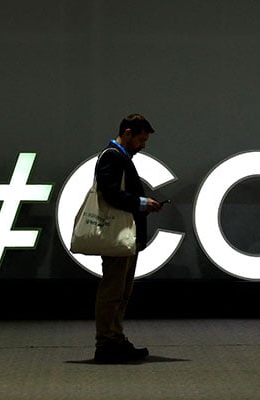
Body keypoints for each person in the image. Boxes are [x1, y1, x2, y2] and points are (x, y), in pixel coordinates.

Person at [93, 113, 163, 363]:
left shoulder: (118, 156)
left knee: (121, 291)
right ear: (128, 133)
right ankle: (106, 342)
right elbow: (109, 192)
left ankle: (115, 338)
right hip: (118, 235)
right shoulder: (112, 156)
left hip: (125, 236)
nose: (143, 146)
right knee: (113, 290)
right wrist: (141, 203)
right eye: (141, 140)